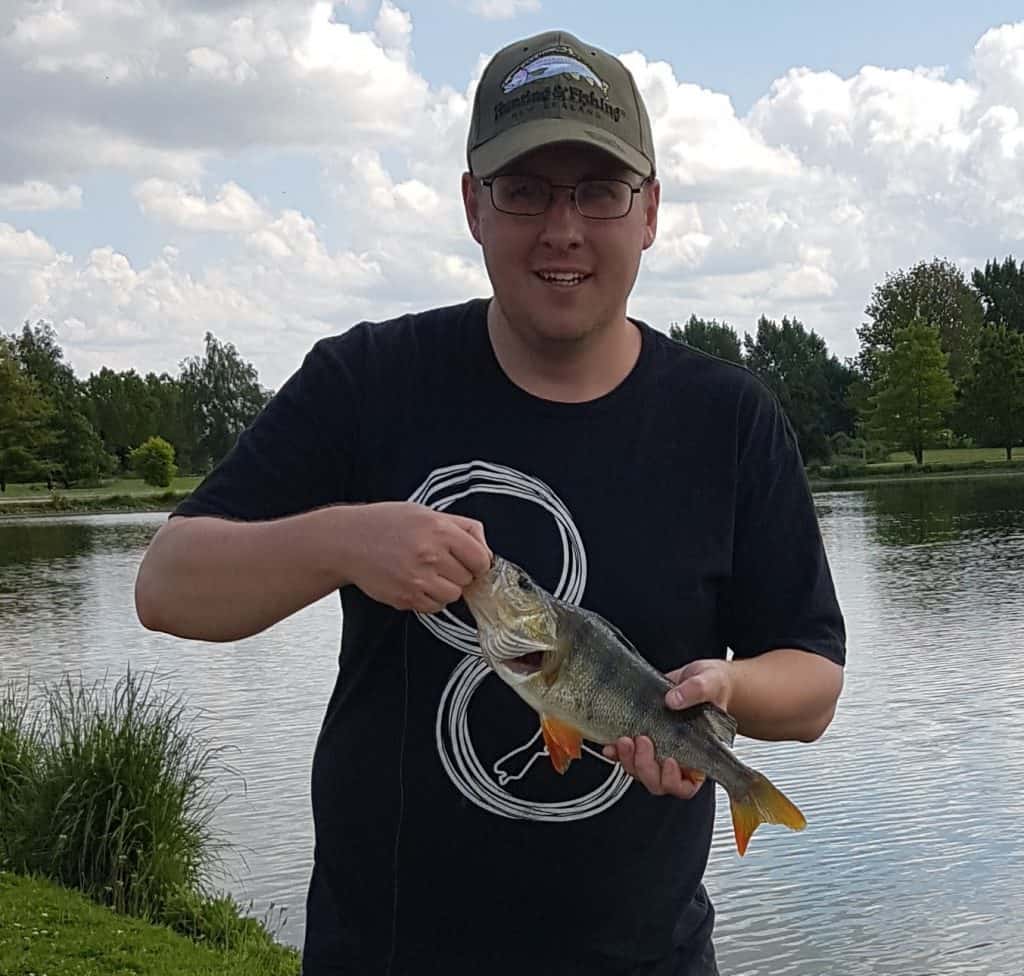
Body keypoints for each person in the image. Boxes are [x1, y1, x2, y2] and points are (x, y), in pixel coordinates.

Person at [135, 28, 845, 976]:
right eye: (525, 190)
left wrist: (723, 692)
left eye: (598, 191)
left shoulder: (729, 421)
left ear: (651, 212)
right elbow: (166, 587)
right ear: (473, 205)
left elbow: (813, 687)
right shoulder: (368, 381)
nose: (563, 228)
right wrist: (344, 541)